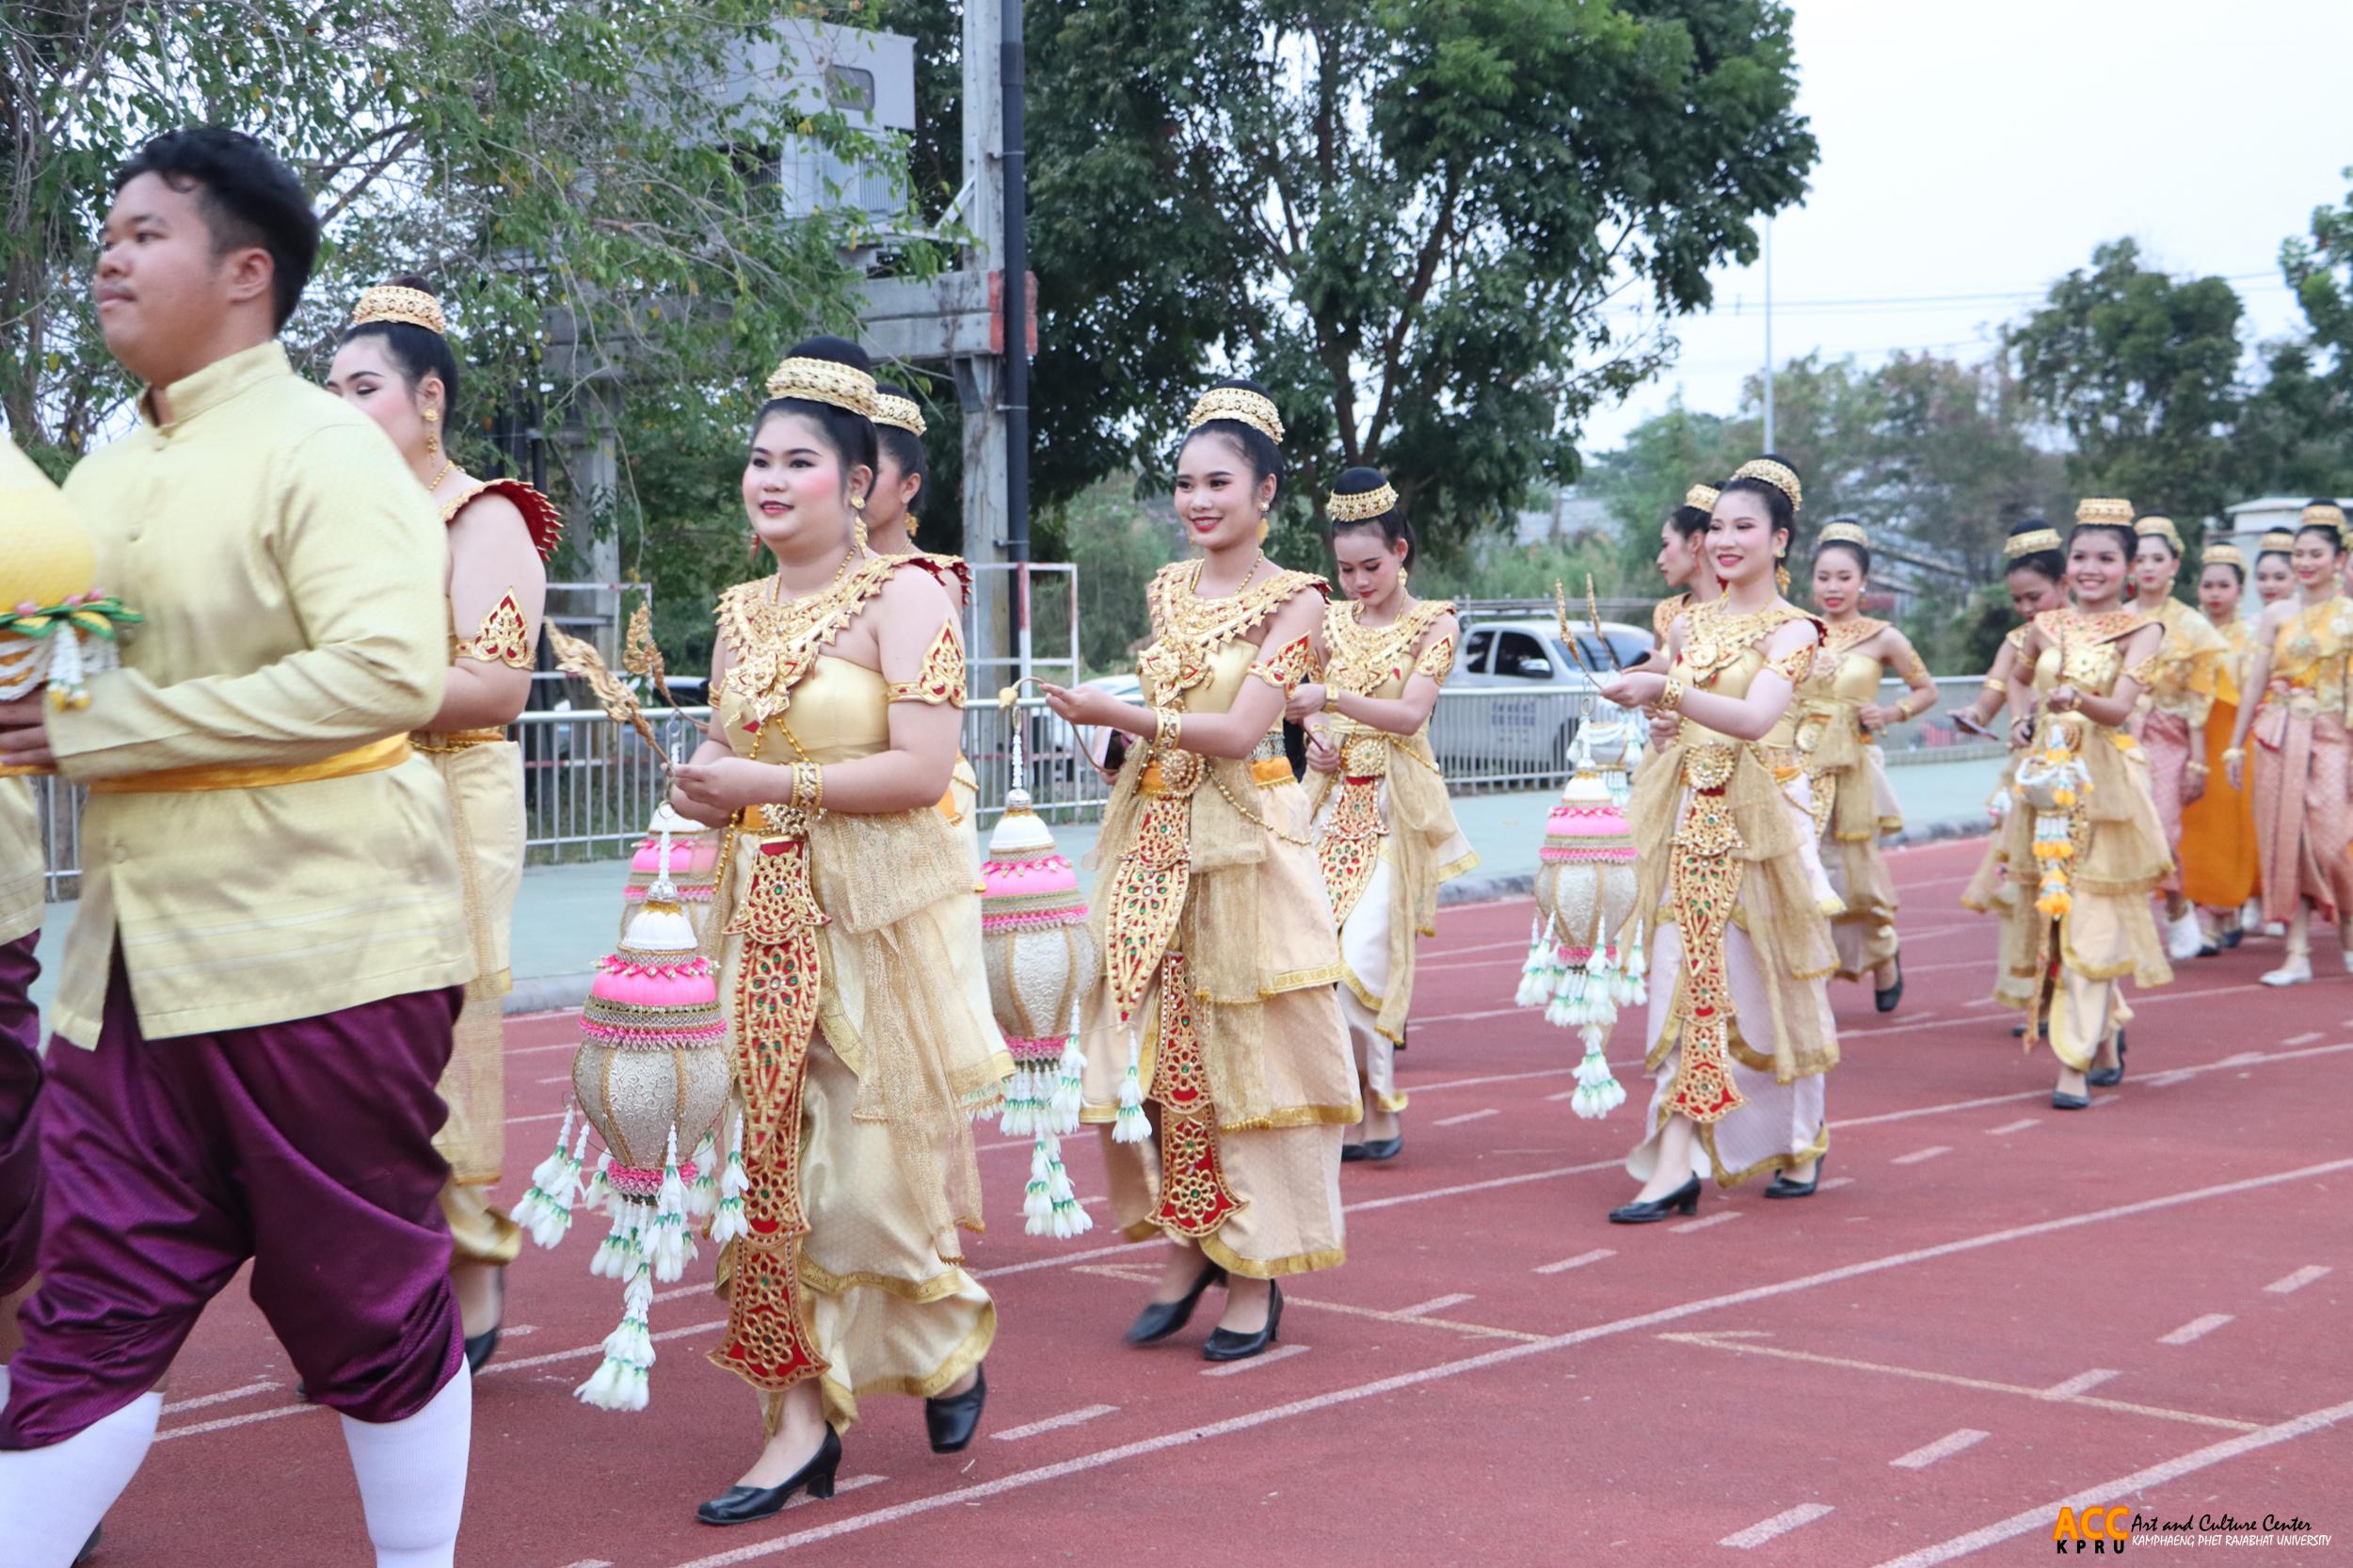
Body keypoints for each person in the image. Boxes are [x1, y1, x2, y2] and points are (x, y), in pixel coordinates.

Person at [0, 127, 474, 1568]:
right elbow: (67, 678)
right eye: (108, 232)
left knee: (366, 1302)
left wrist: (106, 725)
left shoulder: (324, 448)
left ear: (248, 273)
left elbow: (388, 672)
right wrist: (39, 687)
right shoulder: (102, 467)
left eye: (148, 231)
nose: (111, 256)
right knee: (90, 1305)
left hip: (320, 951)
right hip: (135, 972)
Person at [664, 337, 1006, 1526]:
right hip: (755, 919)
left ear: (859, 484)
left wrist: (766, 786)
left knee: (867, 1189)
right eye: (758, 459)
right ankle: (795, 1423)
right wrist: (699, 789)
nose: (768, 479)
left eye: (797, 461)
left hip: (870, 924)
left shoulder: (909, 595)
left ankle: (944, 1337)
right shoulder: (738, 609)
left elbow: (924, 768)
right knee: (762, 1181)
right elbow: (729, 753)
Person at [1043, 378, 1354, 1359]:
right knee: (1156, 1049)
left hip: (1249, 843)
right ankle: (1189, 1235)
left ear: (1265, 491)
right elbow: (1169, 723)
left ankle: (1255, 1265)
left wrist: (1119, 714)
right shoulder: (1169, 588)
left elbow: (1241, 729)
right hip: (1153, 838)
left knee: (1247, 1058)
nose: (1197, 500)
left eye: (1218, 481)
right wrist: (1112, 748)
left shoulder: (1298, 599)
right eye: (1183, 483)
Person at [326, 277, 559, 1371]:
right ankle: (381, 1271)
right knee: (344, 1042)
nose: (339, 408)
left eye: (362, 386)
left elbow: (495, 685)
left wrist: (331, 689)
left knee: (441, 1032)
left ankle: (469, 1261)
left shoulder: (486, 514)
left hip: (449, 792)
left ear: (429, 399)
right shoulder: (333, 520)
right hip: (342, 798)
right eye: (327, 389)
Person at [1596, 456, 1838, 1222]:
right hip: (1689, 815)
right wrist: (1662, 714)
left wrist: (1666, 690)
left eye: (1745, 528)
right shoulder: (1691, 621)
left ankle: (1798, 1133)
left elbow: (1756, 717)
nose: (1725, 542)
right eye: (1718, 528)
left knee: (1768, 986)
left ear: (1781, 540)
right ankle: (1675, 1157)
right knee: (1680, 981)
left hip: (1764, 821)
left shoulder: (1797, 631)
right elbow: (1687, 709)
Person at [1287, 468, 1477, 1161]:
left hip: (1396, 809)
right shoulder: (1331, 622)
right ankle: (1367, 1115)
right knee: (1317, 959)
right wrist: (1316, 738)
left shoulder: (1436, 623)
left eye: (1372, 565)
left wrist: (1330, 702)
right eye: (1345, 569)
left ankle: (1374, 1109)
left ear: (1402, 551)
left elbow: (1408, 714)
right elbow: (1298, 701)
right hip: (1331, 808)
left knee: (1363, 957)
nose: (1359, 581)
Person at [1998, 500, 2170, 1107]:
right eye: (2081, 557)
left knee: (2091, 921)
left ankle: (2071, 1063)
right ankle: (2104, 1029)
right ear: (2066, 567)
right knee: (2059, 914)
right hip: (2048, 785)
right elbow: (2019, 678)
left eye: (2106, 558)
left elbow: (2120, 708)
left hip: (2106, 790)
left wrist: (2079, 701)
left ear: (2128, 570)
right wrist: (2023, 722)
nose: (2091, 569)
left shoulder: (2143, 629)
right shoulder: (2049, 625)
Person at [1797, 519, 1936, 1010]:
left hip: (1855, 768)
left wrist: (1891, 713)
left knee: (1853, 874)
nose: (1832, 587)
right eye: (1823, 577)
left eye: (1843, 577)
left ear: (1863, 583)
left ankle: (1884, 953)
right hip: (1799, 766)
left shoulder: (1884, 637)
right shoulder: (1797, 631)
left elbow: (1927, 690)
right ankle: (1811, 974)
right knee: (1803, 867)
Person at [2225, 504, 2353, 985]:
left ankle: (2348, 933)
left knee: (2333, 845)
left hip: (2335, 737)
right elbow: (2255, 684)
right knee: (2287, 844)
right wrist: (2235, 746)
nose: (2304, 562)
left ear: (2338, 559)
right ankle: (2296, 954)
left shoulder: (2349, 616)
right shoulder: (2276, 614)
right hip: (2278, 734)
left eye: (2315, 553)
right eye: (2298, 552)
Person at [1959, 520, 2073, 1040]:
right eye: (2019, 600)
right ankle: (2041, 998)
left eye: (2036, 596)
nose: (2028, 609)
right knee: (2030, 888)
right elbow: (1992, 698)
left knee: (2079, 888)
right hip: (2032, 779)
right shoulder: (2018, 641)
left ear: (2064, 582)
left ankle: (2083, 996)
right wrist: (1975, 716)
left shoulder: (2100, 631)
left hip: (2086, 773)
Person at [863, 381, 982, 846]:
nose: (855, 485)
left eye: (871, 473)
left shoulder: (935, 579)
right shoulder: (812, 578)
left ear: (909, 486)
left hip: (916, 795)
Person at [2127, 516, 2228, 962]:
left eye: (2157, 558)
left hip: (2170, 737)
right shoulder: (2113, 619)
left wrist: (2199, 761)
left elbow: (2198, 701)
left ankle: (2176, 903)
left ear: (2175, 565)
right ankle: (2125, 925)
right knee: (2119, 828)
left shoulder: (2194, 627)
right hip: (2120, 733)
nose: (2148, 567)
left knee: (2162, 831)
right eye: (2139, 558)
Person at [2178, 542, 2260, 950]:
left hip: (2236, 740)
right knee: (2193, 829)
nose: (2214, 593)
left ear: (2239, 590)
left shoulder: (2252, 636)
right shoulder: (2188, 631)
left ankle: (2224, 907)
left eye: (2223, 585)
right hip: (2192, 737)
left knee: (2231, 830)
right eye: (2208, 584)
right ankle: (2205, 914)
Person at [1643, 485, 1721, 657]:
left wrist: (1666, 671)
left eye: (1666, 545)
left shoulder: (1740, 610)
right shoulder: (1666, 613)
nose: (1659, 560)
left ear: (1695, 543)